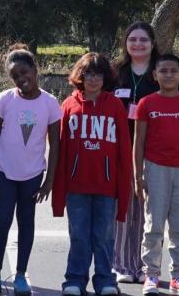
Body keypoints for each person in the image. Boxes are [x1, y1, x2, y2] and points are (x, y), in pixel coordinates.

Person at [0, 47, 61, 296]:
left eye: (24, 72)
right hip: (5, 172)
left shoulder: (49, 102)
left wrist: (49, 181)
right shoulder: (5, 99)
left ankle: (20, 277)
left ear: (35, 70)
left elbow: (55, 144)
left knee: (26, 222)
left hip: (33, 175)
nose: (20, 79)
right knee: (2, 220)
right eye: (15, 76)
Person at [52, 52, 131, 296]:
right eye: (88, 74)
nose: (93, 79)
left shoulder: (115, 105)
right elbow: (61, 152)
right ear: (80, 76)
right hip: (77, 188)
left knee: (104, 237)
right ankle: (74, 280)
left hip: (106, 187)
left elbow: (124, 151)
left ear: (105, 77)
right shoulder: (68, 105)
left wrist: (123, 192)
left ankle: (106, 280)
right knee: (79, 236)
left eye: (98, 74)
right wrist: (58, 195)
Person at [110, 21, 179, 284]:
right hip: (120, 148)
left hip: (154, 150)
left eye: (144, 40)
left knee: (149, 211)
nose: (138, 44)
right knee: (123, 209)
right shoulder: (116, 72)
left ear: (153, 43)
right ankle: (121, 264)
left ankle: (147, 267)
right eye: (133, 39)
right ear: (126, 43)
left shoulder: (162, 71)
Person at [133, 53, 179, 296]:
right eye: (164, 71)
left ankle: (178, 276)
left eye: (174, 70)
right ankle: (151, 274)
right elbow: (138, 142)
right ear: (155, 75)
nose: (169, 75)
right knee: (153, 225)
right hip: (155, 168)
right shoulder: (147, 103)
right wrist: (138, 177)